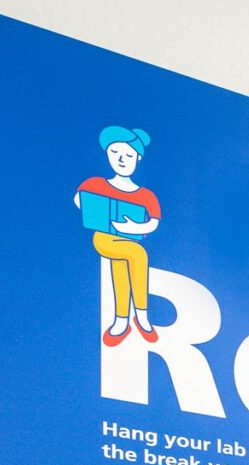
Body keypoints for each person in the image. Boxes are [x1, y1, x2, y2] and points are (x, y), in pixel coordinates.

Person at [76, 125, 162, 348]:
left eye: (128, 155)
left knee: (121, 266)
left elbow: (153, 222)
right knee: (138, 254)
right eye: (115, 152)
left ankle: (121, 321)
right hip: (104, 237)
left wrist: (134, 227)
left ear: (138, 159)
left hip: (129, 237)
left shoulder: (146, 195)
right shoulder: (96, 184)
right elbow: (79, 200)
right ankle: (142, 316)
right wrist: (98, 210)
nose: (122, 159)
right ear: (107, 154)